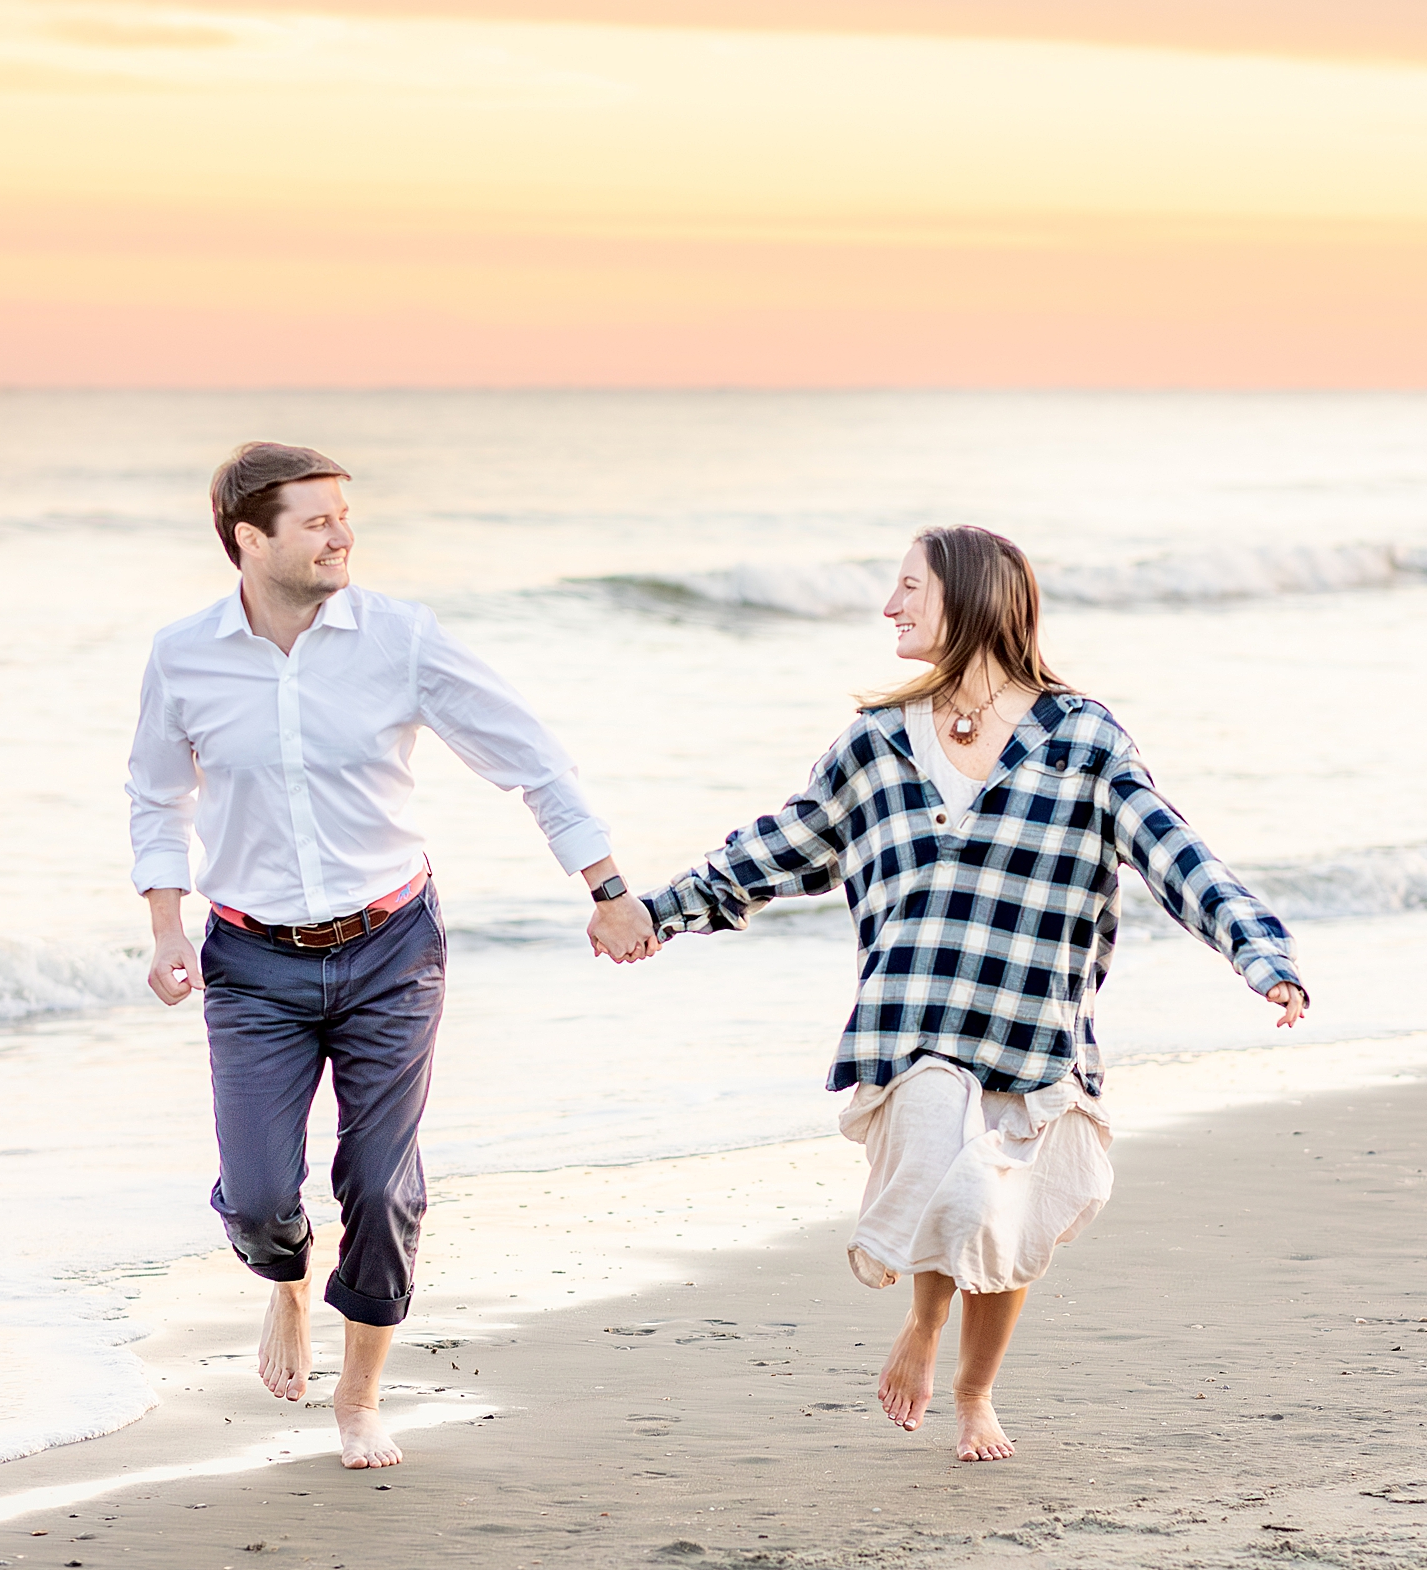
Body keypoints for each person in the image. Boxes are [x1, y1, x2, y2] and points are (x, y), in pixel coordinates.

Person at [640, 523, 1306, 1463]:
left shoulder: (1080, 738)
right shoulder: (875, 744)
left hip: (1034, 1027)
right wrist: (658, 911)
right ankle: (920, 1325)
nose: (890, 606)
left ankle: (974, 1388)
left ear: (970, 597)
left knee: (1002, 1221)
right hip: (914, 1020)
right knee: (938, 1144)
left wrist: (1259, 953)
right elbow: (781, 844)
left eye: (909, 586)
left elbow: (1173, 851)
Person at [127, 440, 656, 1470]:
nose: (342, 534)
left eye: (344, 514)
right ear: (249, 538)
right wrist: (162, 925)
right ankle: (285, 1286)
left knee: (379, 1182)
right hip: (250, 960)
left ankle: (360, 1396)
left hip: (391, 948)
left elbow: (530, 760)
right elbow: (157, 795)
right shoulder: (183, 653)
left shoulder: (400, 640)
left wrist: (606, 888)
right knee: (257, 1198)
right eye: (317, 518)